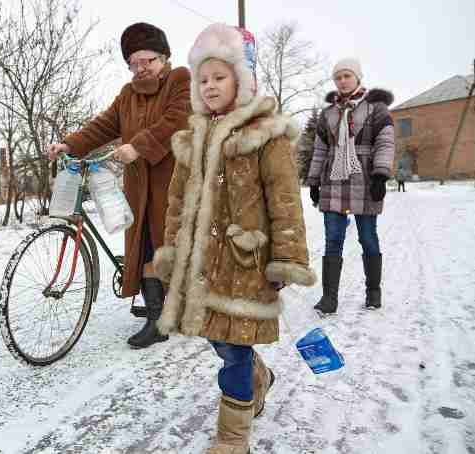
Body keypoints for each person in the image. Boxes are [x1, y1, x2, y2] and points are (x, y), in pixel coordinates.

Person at [152, 24, 316, 453]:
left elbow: (284, 201)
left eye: (219, 77)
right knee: (220, 342)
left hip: (247, 263)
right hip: (203, 266)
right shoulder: (192, 137)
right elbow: (175, 201)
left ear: (242, 80)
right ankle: (259, 377)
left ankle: (232, 438)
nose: (209, 87)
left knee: (236, 352)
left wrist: (287, 257)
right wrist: (170, 250)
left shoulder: (267, 135)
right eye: (202, 79)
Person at [47, 23, 192, 349]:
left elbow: (177, 119)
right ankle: (158, 314)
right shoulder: (127, 95)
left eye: (148, 61)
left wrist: (138, 145)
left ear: (164, 57)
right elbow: (105, 125)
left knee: (165, 243)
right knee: (142, 244)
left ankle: (167, 315)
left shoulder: (181, 80)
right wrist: (70, 145)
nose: (141, 68)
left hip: (174, 181)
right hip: (139, 185)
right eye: (134, 63)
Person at [306, 58, 395, 314]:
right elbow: (320, 149)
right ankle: (329, 298)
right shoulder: (329, 114)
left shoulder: (376, 108)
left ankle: (373, 292)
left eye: (347, 75)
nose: (342, 81)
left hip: (365, 179)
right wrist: (313, 181)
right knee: (333, 238)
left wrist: (380, 174)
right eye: (338, 77)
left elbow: (385, 142)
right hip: (333, 180)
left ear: (358, 77)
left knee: (368, 237)